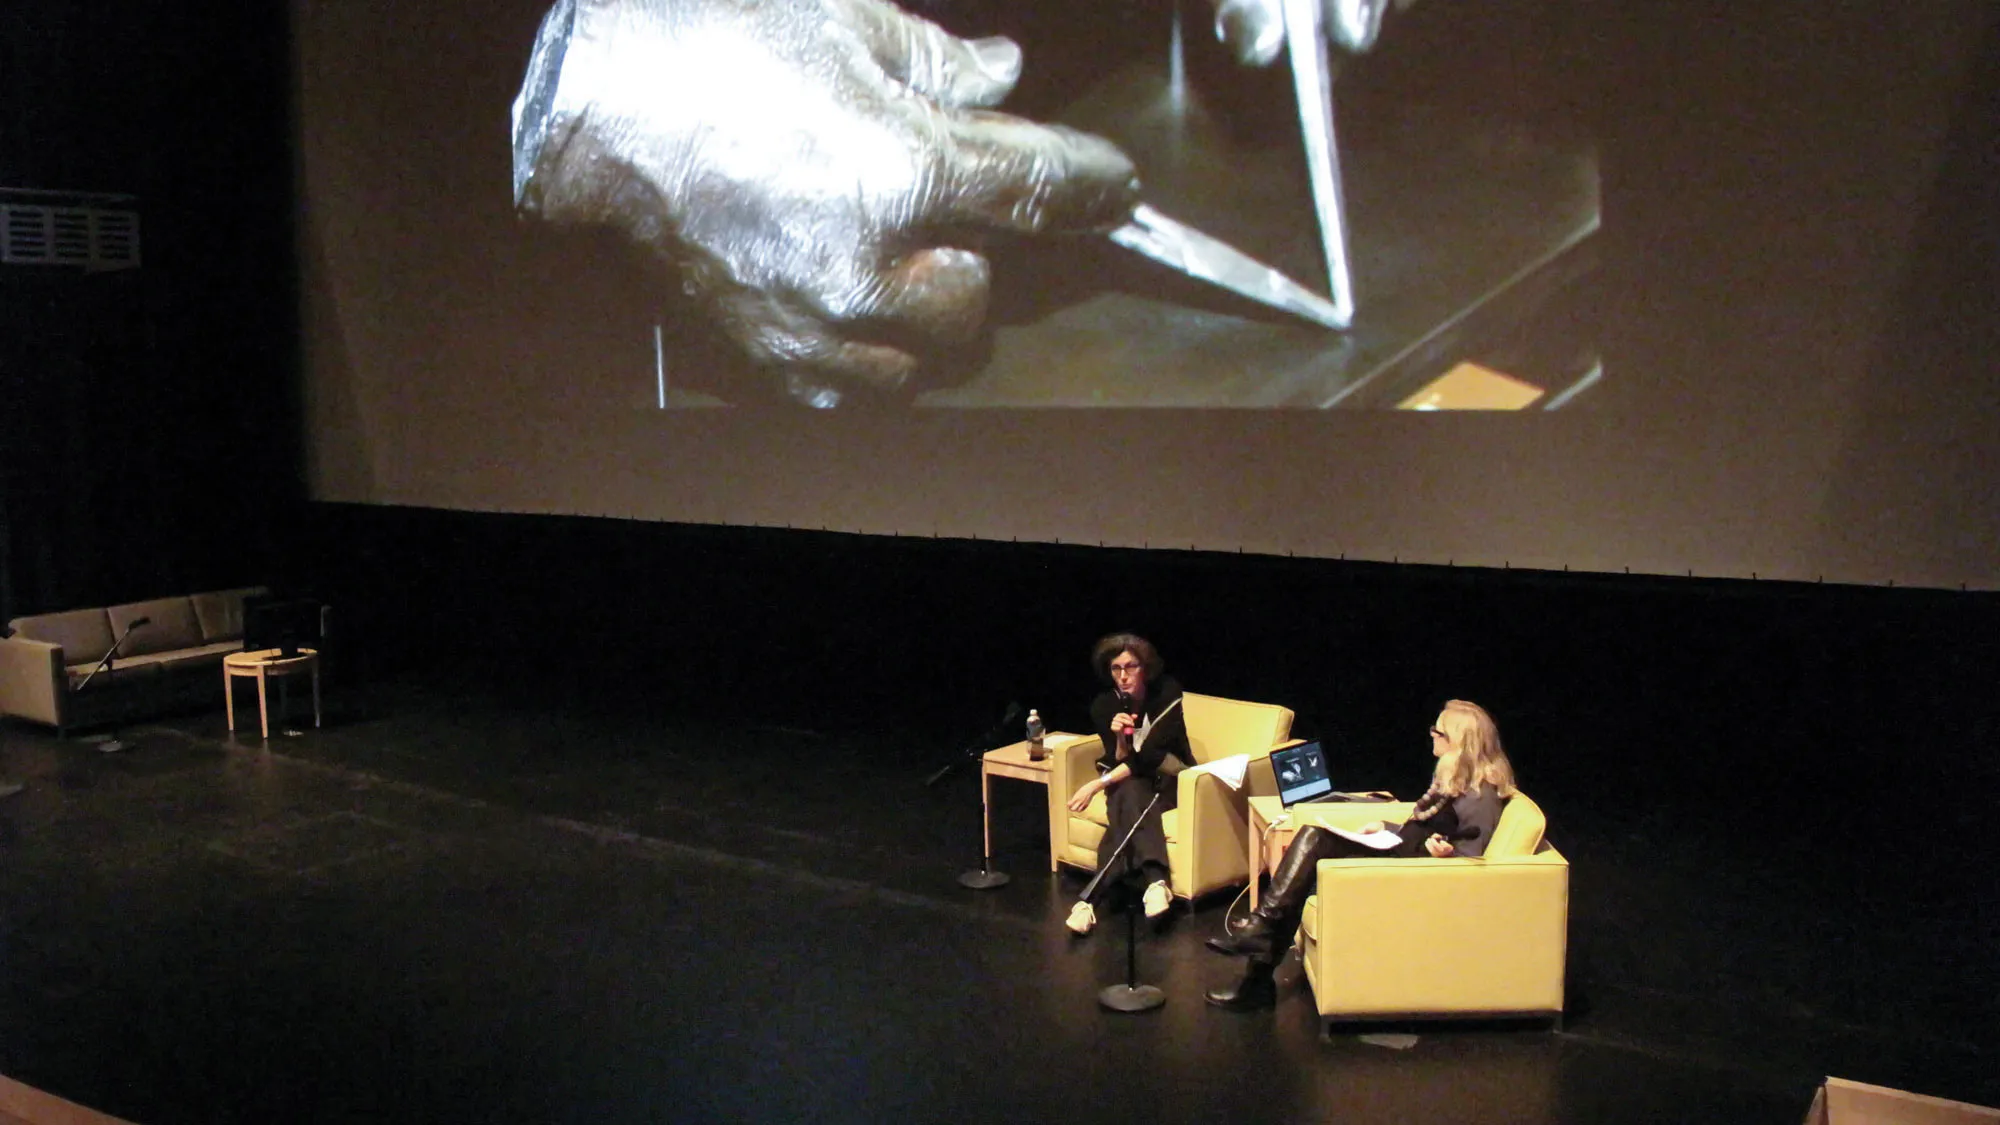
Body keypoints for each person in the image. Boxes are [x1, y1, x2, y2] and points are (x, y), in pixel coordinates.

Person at [1204, 699, 1517, 1009]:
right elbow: (1422, 830)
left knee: (1314, 839)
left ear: (1460, 741)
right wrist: (1386, 827)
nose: (1432, 734)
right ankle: (1258, 968)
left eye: (1439, 731)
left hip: (1417, 874)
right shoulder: (1455, 779)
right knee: (1309, 849)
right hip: (1404, 853)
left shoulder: (1481, 795)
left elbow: (1470, 860)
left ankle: (1260, 942)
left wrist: (1443, 854)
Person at [1062, 633, 1193, 936]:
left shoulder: (1167, 694)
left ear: (1144, 667)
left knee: (1126, 795)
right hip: (1131, 783)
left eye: (1130, 667)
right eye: (1115, 669)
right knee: (1129, 796)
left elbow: (1148, 756)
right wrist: (1120, 736)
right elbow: (1120, 756)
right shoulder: (1103, 705)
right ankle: (1157, 883)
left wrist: (1095, 785)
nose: (1123, 676)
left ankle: (1088, 901)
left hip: (1169, 778)